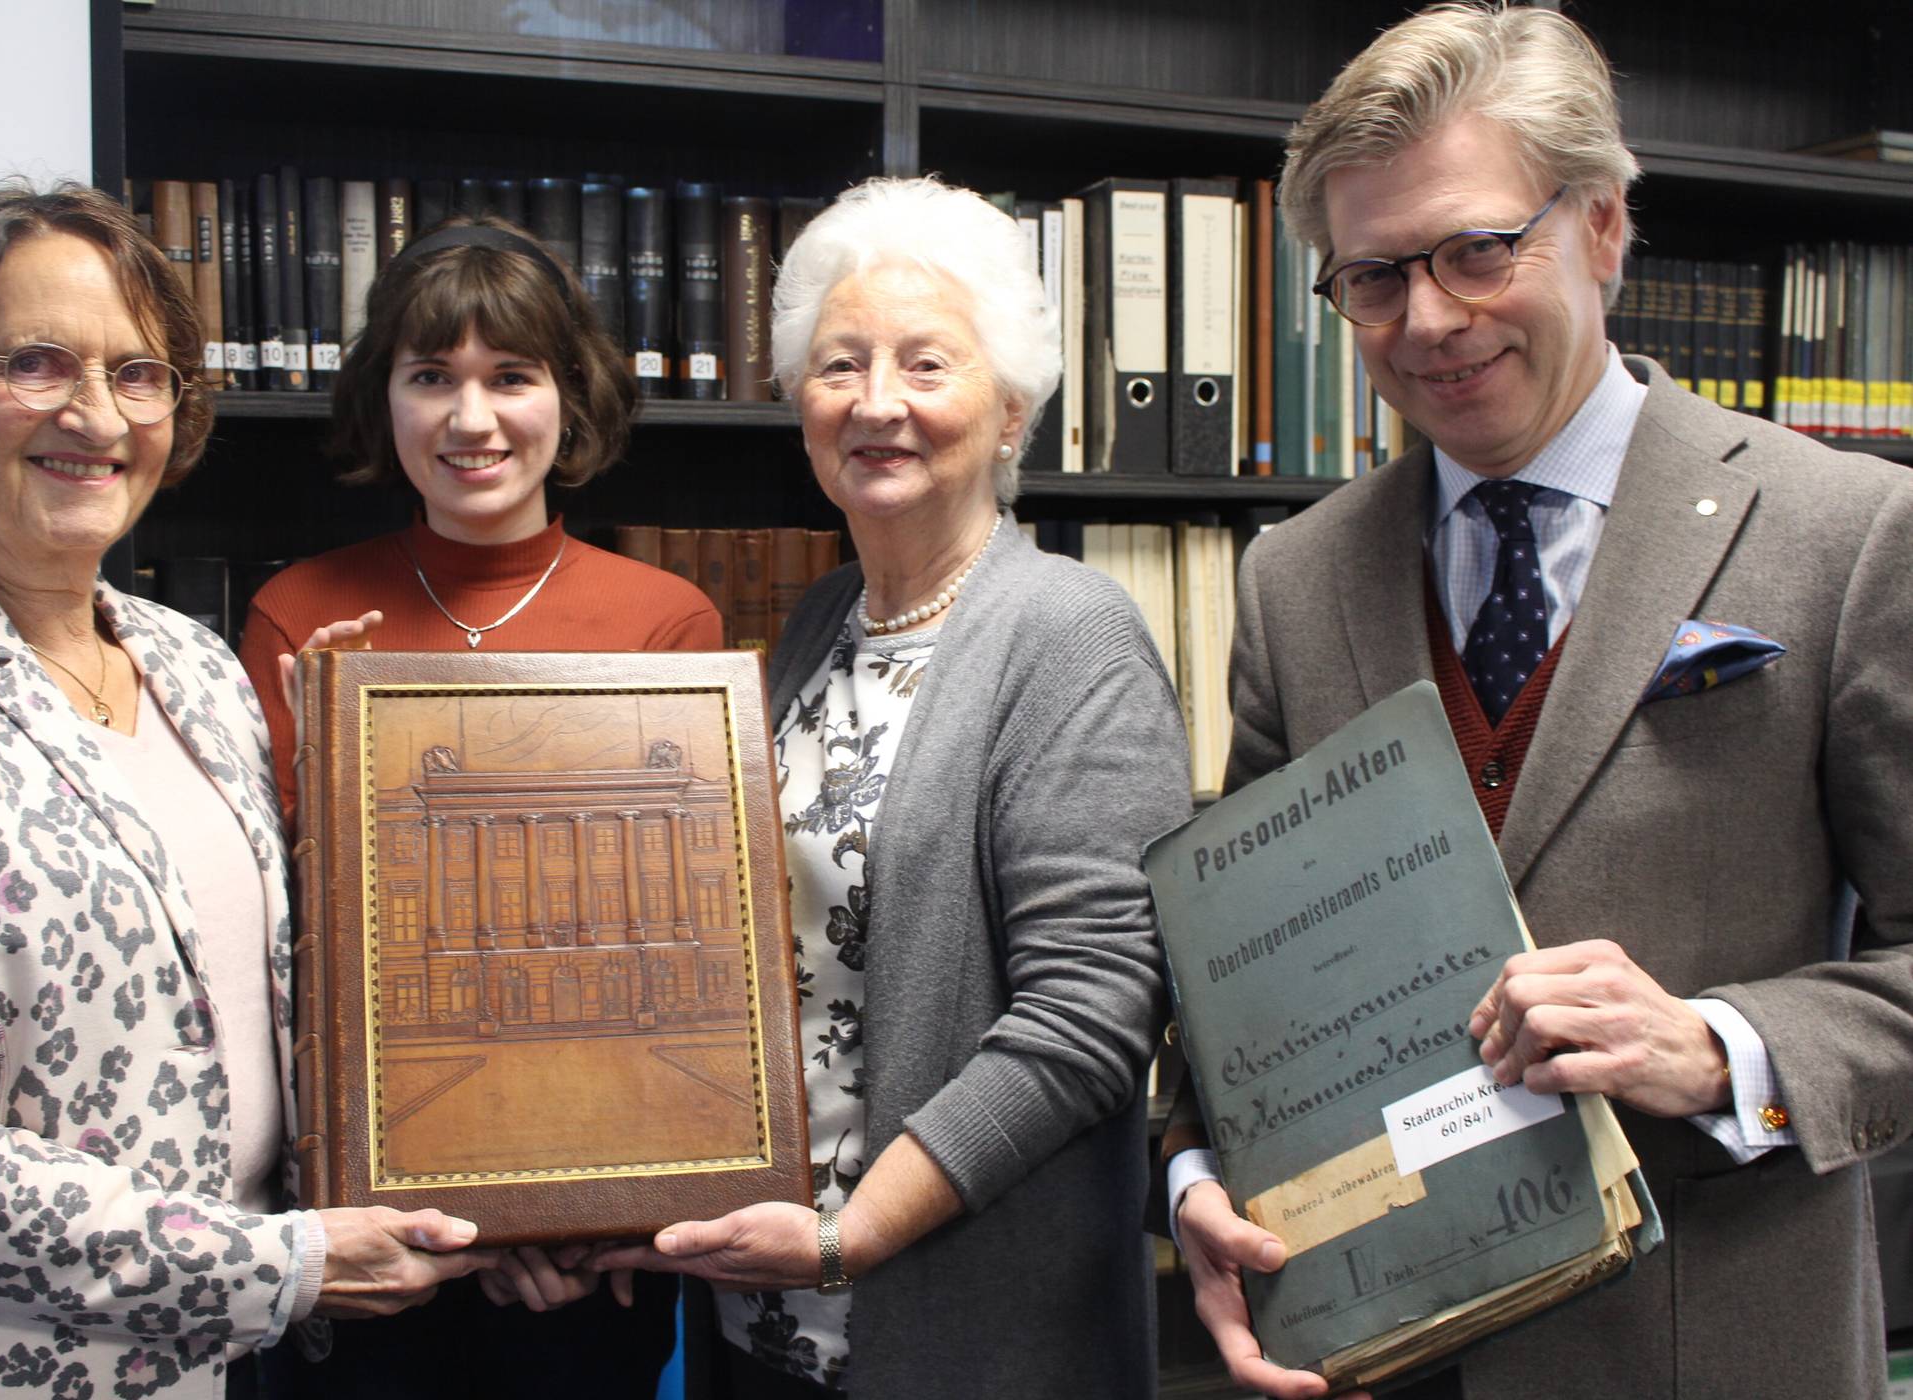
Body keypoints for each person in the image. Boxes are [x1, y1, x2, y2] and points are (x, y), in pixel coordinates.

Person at [1163, 6, 1913, 1400]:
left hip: (1716, 1347)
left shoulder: (1850, 534)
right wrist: (1200, 1167)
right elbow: (1238, 983)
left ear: (1606, 226)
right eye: (1374, 277)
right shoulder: (1292, 579)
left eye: (1477, 251)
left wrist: (1720, 1047)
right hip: (1382, 1352)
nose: (1429, 321)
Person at [0, 182, 493, 1400]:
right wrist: (273, 1262)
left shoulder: (195, 663)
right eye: (36, 362)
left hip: (244, 1362)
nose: (96, 414)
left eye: (138, 375)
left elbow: (283, 1022)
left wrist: (512, 1196)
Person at [591, 176, 1192, 1400]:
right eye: (840, 365)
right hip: (760, 1318)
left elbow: (1092, 1017)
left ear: (1013, 404)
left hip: (955, 1330)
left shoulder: (1070, 634)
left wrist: (847, 1232)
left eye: (927, 364)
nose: (877, 403)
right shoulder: (819, 624)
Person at [237, 215, 720, 1398]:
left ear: (570, 396)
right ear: (381, 399)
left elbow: (693, 963)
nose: (471, 419)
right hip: (365, 1248)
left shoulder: (670, 626)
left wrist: (554, 1220)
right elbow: (280, 949)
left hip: (587, 1255)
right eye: (429, 377)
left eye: (512, 375)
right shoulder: (297, 615)